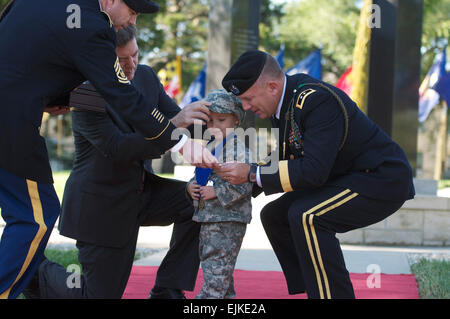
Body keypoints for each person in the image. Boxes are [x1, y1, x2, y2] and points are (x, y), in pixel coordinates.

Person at [0, 0, 215, 299]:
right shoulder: (87, 85)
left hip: (142, 194)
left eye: (135, 55)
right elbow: (116, 145)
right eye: (133, 12)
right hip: (102, 207)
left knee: (199, 203)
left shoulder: (145, 76)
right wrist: (176, 136)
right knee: (36, 223)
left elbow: (27, 56)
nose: (130, 65)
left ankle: (168, 290)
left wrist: (219, 123)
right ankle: (33, 273)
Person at [216, 50, 415, 299]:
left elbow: (312, 171)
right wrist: (235, 185)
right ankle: (316, 288)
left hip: (380, 179)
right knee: (275, 216)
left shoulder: (315, 100)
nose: (245, 107)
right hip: (345, 177)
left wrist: (251, 174)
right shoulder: (286, 101)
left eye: (247, 99)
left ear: (272, 86)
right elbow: (287, 153)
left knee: (308, 217)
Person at [186, 89, 253, 299]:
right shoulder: (212, 146)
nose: (215, 127)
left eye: (221, 120)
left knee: (216, 277)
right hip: (210, 218)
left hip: (228, 220)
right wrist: (191, 186)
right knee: (219, 275)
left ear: (235, 121)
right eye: (211, 122)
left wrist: (216, 191)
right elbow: (201, 173)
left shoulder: (239, 150)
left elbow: (246, 181)